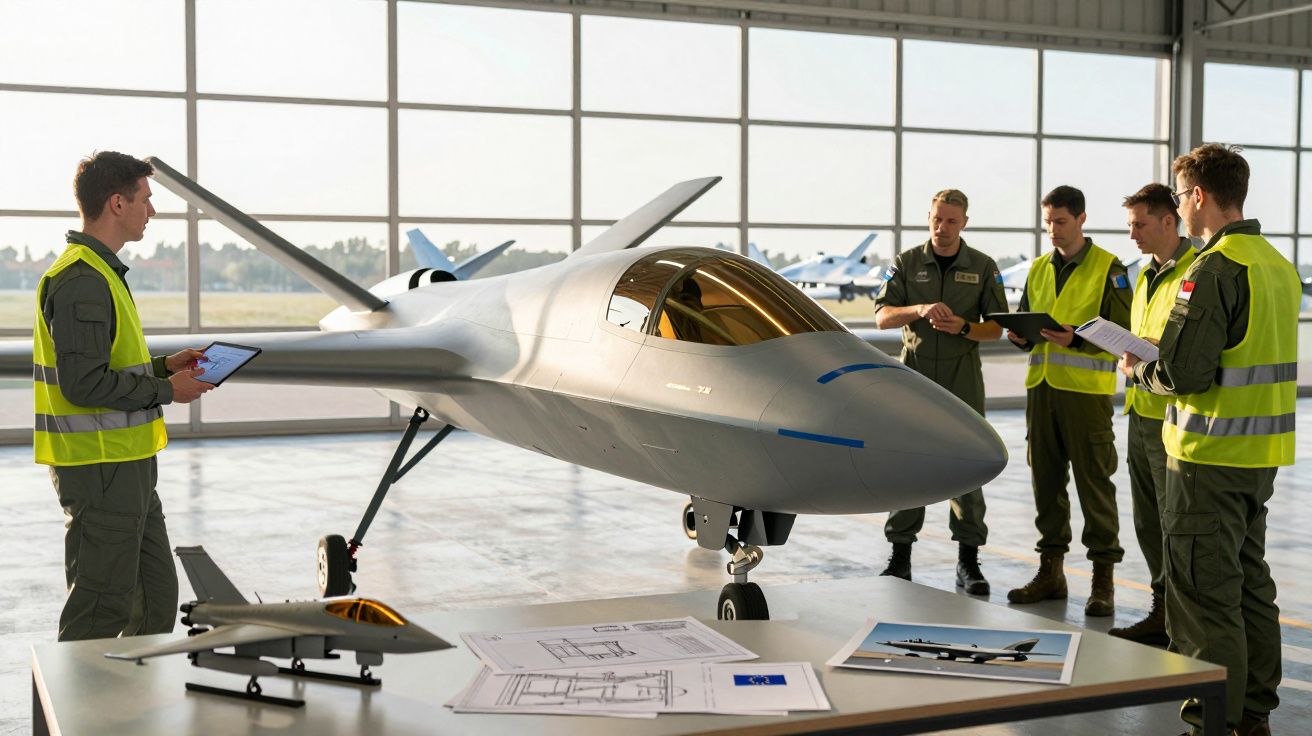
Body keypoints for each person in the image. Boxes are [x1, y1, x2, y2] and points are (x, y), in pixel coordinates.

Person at [1122, 144, 1297, 736]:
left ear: (1197, 196)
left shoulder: (1213, 268)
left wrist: (1138, 369)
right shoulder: (1275, 263)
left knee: (1201, 597)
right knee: (1249, 585)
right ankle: (1253, 714)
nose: (1178, 205)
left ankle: (1210, 723)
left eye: (1178, 195)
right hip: (1260, 458)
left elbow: (1183, 373)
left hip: (1207, 459)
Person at [35, 151, 213, 641]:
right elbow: (83, 384)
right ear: (117, 203)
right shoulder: (82, 281)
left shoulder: (103, 273)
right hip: (100, 470)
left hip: (128, 465)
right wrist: (166, 391)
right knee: (99, 608)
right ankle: (79, 714)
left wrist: (164, 367)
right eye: (145, 199)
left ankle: (130, 707)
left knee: (156, 599)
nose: (151, 211)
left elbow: (103, 367)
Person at [872, 189, 1007, 595]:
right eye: (935, 219)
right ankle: (900, 558)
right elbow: (881, 317)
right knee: (907, 465)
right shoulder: (907, 263)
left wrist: (965, 327)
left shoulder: (983, 267)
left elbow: (997, 328)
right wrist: (919, 309)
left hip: (962, 380)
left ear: (964, 222)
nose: (941, 228)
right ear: (927, 218)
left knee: (968, 465)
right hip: (913, 381)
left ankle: (968, 561)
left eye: (950, 220)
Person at [1005, 185, 1131, 617]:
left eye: (1060, 222)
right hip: (1042, 390)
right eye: (1047, 224)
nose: (1053, 231)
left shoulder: (1109, 268)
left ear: (1081, 219)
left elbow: (1123, 331)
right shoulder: (1038, 268)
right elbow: (1027, 318)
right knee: (1046, 482)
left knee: (1094, 485)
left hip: (1085, 396)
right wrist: (1020, 336)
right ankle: (1051, 572)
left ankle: (1103, 582)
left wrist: (1077, 340)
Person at [1106, 183, 1196, 647]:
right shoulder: (1145, 274)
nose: (1133, 234)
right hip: (1140, 411)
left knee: (1174, 519)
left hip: (1174, 416)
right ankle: (1162, 610)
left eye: (1140, 224)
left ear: (1168, 221)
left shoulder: (1196, 271)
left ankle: (1183, 620)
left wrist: (1154, 353)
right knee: (1146, 519)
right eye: (1129, 226)